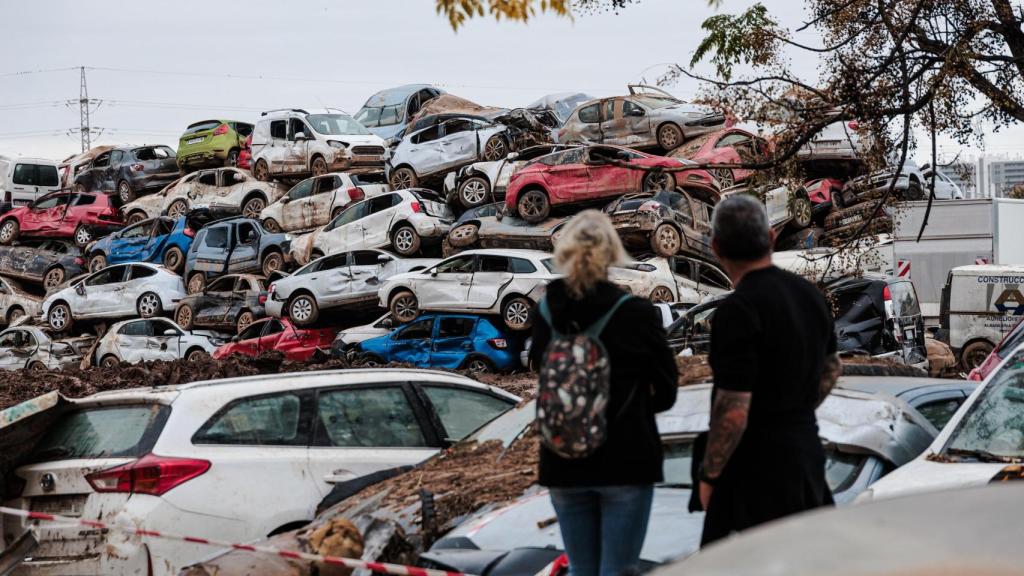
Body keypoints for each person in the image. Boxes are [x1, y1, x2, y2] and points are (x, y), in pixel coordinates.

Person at [530, 210, 678, 576]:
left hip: (562, 460)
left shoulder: (546, 311)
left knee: (581, 570)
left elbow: (540, 370)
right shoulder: (637, 313)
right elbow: (668, 392)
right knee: (619, 571)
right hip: (625, 458)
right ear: (613, 252)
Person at [698, 194, 842, 546]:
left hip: (753, 469)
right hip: (805, 454)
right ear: (772, 238)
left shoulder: (737, 310)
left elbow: (733, 409)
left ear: (716, 246)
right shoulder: (810, 295)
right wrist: (794, 407)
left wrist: (710, 475)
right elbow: (832, 368)